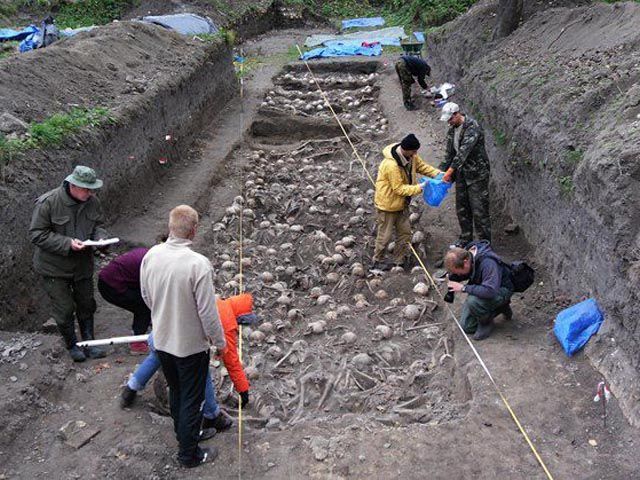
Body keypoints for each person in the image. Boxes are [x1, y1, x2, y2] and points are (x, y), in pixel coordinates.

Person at [140, 205, 226, 468]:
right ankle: (189, 454)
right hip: (189, 346)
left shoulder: (151, 255)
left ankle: (185, 434)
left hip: (163, 339)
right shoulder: (197, 264)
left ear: (170, 227)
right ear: (194, 230)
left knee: (177, 391)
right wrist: (219, 341)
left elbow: (146, 295)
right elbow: (208, 312)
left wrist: (163, 317)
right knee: (192, 397)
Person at [120, 294, 256, 434]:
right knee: (202, 372)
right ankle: (212, 415)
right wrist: (243, 390)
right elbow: (231, 360)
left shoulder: (216, 301)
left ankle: (130, 388)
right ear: (241, 317)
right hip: (182, 342)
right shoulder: (227, 320)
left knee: (156, 356)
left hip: (164, 329)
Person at [29, 165, 108, 362]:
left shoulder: (93, 202)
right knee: (64, 309)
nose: (90, 193)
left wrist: (101, 239)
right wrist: (67, 243)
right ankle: (72, 345)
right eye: (86, 189)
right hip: (54, 268)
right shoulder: (48, 203)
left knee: (86, 304)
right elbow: (37, 234)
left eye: (92, 189)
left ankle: (88, 343)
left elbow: (97, 225)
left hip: (82, 266)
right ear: (72, 185)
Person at [373, 134, 443, 271]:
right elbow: (398, 189)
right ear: (405, 149)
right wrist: (419, 188)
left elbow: (423, 167)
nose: (415, 154)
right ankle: (377, 260)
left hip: (401, 204)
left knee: (405, 233)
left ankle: (399, 261)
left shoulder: (411, 157)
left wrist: (439, 174)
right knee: (385, 235)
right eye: (413, 151)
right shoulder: (391, 165)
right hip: (387, 205)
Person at [439, 102, 492, 246]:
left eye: (450, 119)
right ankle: (465, 239)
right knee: (462, 208)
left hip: (477, 174)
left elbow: (463, 153)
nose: (449, 123)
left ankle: (485, 244)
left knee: (479, 210)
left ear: (457, 114)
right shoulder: (452, 130)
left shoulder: (472, 127)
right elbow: (450, 153)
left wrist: (450, 171)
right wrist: (440, 172)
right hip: (462, 173)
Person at [444, 241, 514, 341]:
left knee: (473, 301)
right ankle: (500, 308)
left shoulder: (488, 263)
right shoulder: (469, 256)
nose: (459, 275)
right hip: (485, 286)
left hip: (501, 289)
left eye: (459, 272)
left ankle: (486, 322)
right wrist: (454, 277)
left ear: (465, 262)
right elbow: (470, 272)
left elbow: (490, 291)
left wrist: (463, 288)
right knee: (467, 326)